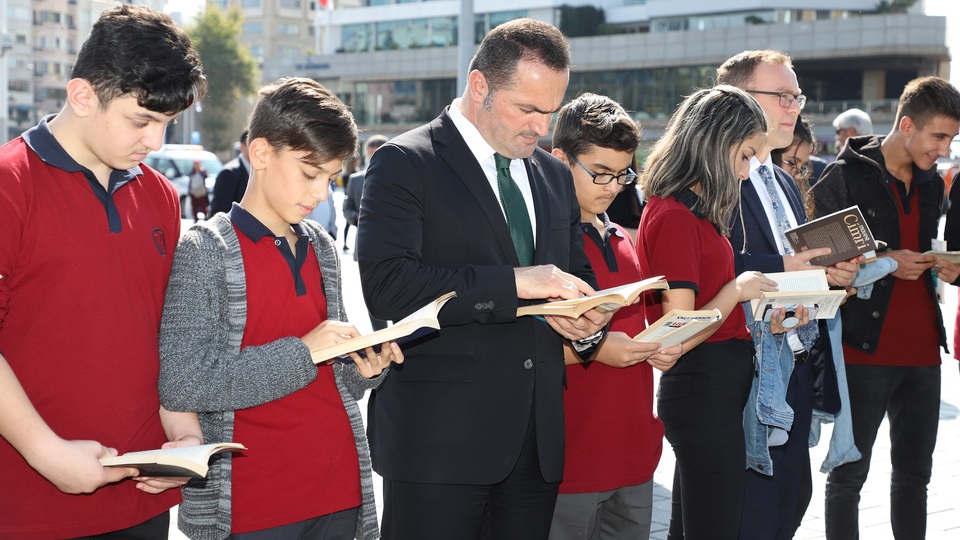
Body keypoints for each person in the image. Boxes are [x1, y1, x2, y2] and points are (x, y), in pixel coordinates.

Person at [357, 18, 612, 540]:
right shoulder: (404, 162)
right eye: (528, 109)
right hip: (438, 448)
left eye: (551, 111)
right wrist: (516, 282)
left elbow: (575, 276)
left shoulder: (555, 175)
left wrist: (587, 321)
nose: (542, 127)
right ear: (480, 87)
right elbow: (388, 288)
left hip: (535, 447)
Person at [158, 77, 403, 539]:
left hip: (340, 490)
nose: (320, 193)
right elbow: (182, 381)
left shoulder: (323, 248)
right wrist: (302, 351)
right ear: (262, 153)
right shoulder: (204, 249)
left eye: (331, 179)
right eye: (310, 173)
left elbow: (334, 381)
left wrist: (365, 369)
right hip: (255, 504)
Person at [0, 5, 206, 538]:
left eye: (166, 124)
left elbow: (164, 331)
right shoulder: (9, 184)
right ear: (83, 96)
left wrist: (182, 436)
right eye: (141, 121)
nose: (155, 143)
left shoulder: (159, 194)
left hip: (143, 498)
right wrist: (47, 454)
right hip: (29, 502)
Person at [718, 49, 861, 540]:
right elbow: (708, 272)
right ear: (738, 100)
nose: (793, 106)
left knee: (789, 506)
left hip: (797, 365)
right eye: (780, 95)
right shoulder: (716, 180)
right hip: (749, 373)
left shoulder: (781, 178)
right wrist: (789, 268)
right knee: (750, 515)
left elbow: (793, 270)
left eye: (796, 95)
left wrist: (828, 274)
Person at [811, 76, 960, 539]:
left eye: (952, 139)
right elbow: (820, 260)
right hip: (863, 348)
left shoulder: (933, 183)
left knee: (916, 478)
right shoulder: (844, 175)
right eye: (939, 136)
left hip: (922, 353)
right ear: (908, 124)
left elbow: (937, 247)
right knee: (849, 478)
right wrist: (885, 261)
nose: (944, 148)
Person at [637, 85, 782, 540]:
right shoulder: (678, 216)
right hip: (703, 391)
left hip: (710, 391)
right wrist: (737, 291)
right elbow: (675, 333)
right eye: (744, 156)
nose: (745, 173)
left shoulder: (687, 211)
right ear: (717, 144)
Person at [547, 93, 681, 540]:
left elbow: (640, 326)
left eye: (622, 174)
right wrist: (597, 350)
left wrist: (665, 342)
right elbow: (517, 346)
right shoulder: (540, 248)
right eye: (599, 173)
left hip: (633, 453)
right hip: (571, 460)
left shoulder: (625, 236)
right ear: (559, 158)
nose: (611, 186)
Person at [343, 134, 389, 331]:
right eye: (372, 154)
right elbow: (347, 208)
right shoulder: (355, 180)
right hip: (366, 250)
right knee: (374, 296)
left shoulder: (402, 177)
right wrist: (356, 218)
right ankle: (382, 340)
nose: (375, 158)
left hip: (397, 247)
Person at [211, 129, 250, 215]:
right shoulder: (228, 173)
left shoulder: (261, 172)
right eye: (250, 145)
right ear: (242, 147)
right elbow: (218, 212)